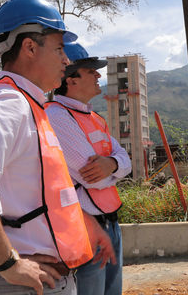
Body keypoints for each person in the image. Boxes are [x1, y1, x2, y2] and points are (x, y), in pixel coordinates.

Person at [0, 0, 115, 295]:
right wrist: (9, 264)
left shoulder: (30, 105)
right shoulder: (9, 104)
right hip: (25, 286)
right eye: (59, 48)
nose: (66, 60)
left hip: (45, 281)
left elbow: (40, 194)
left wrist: (86, 223)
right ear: (30, 47)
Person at [45, 42, 132, 295]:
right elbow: (94, 180)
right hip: (85, 226)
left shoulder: (94, 118)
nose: (98, 75)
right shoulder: (57, 117)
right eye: (91, 70)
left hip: (109, 222)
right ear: (70, 80)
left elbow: (125, 160)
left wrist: (113, 164)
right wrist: (116, 168)